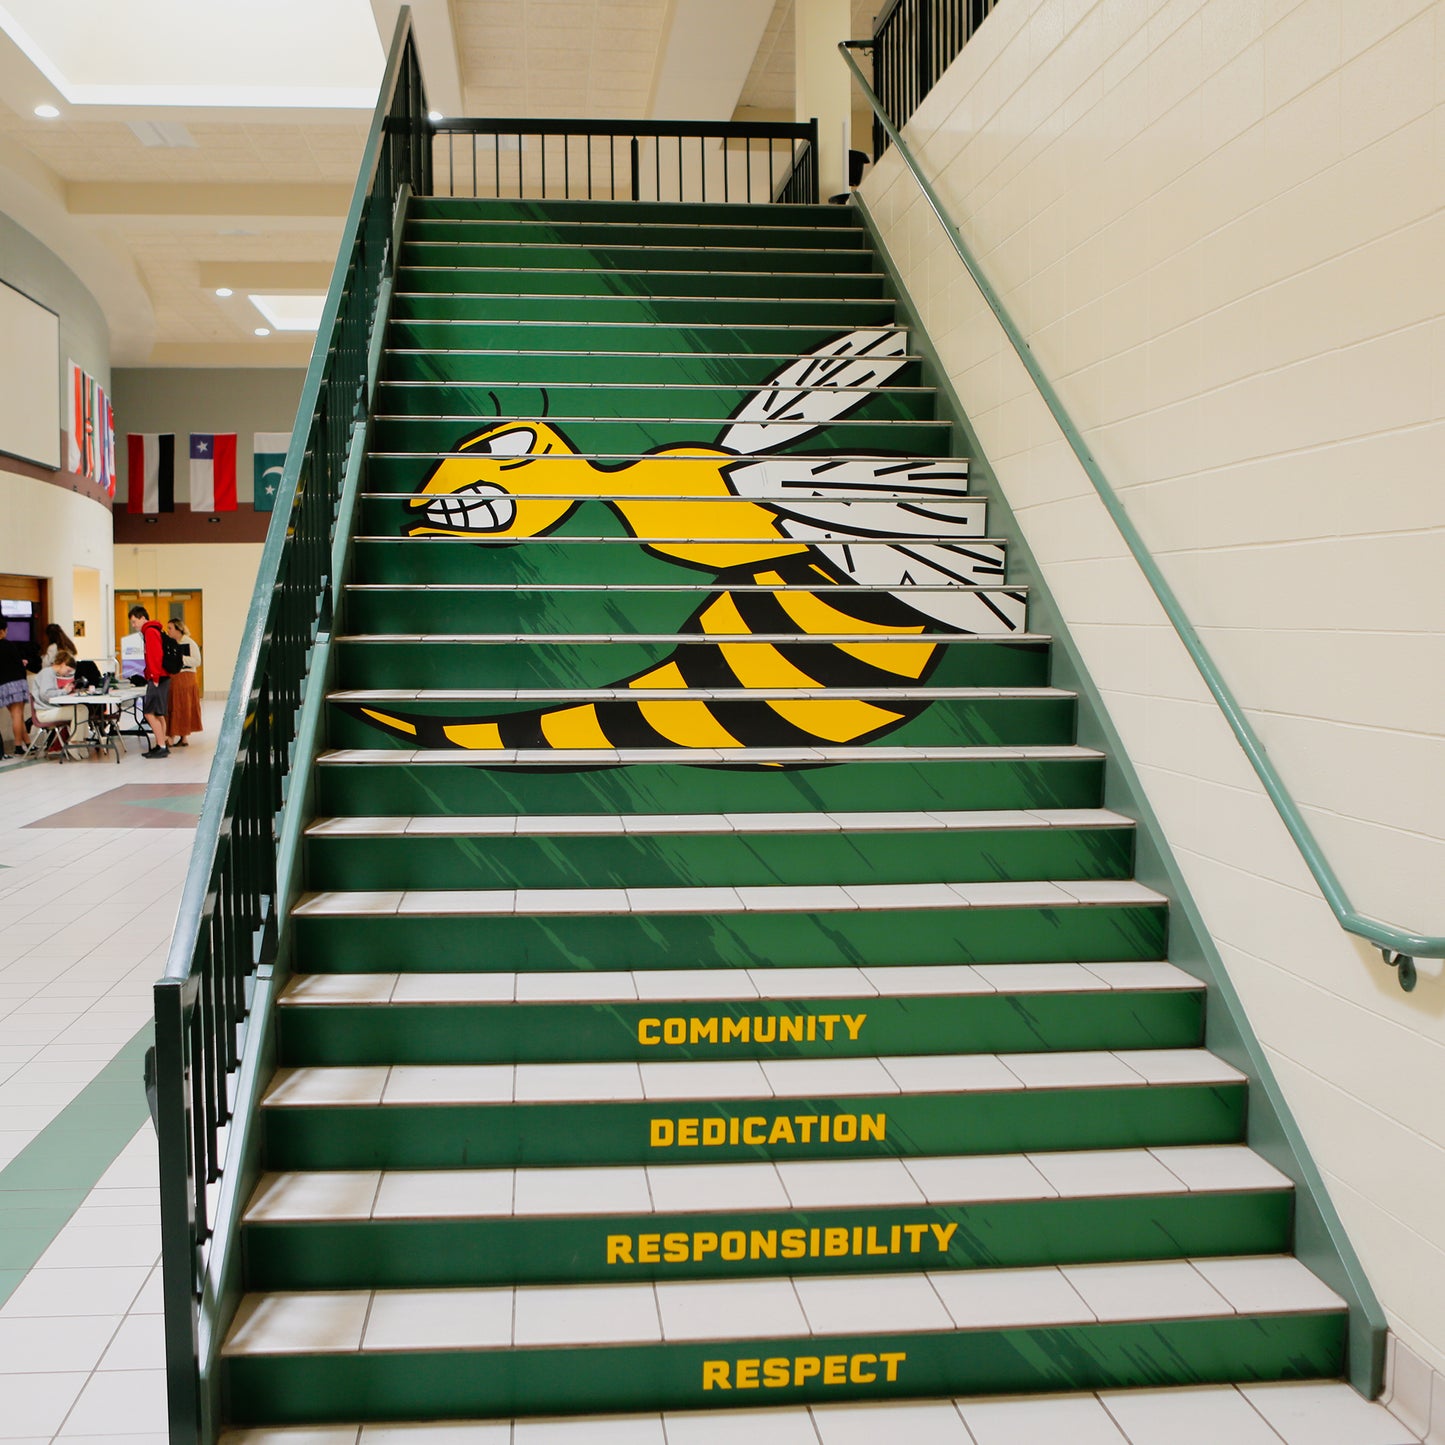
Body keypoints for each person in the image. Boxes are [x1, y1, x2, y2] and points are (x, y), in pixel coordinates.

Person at [128, 605, 172, 759]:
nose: (133, 626)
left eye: (134, 622)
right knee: (159, 713)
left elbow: (155, 656)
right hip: (162, 676)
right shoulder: (154, 630)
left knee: (149, 713)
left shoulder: (150, 632)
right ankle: (162, 743)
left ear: (142, 618)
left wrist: (154, 676)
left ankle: (161, 746)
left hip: (158, 676)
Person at [165, 619, 202, 747]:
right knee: (173, 706)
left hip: (186, 678)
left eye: (170, 628)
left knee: (183, 707)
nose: (168, 631)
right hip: (174, 678)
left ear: (178, 629)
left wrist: (180, 659)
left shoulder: (190, 643)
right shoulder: (170, 643)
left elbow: (197, 661)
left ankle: (182, 736)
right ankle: (173, 735)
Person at [0, 616, 31, 755]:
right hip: (17, 683)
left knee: (16, 716)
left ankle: (28, 743)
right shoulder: (8, 645)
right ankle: (18, 745)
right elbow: (18, 663)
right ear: (2, 631)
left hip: (3, 685)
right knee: (18, 715)